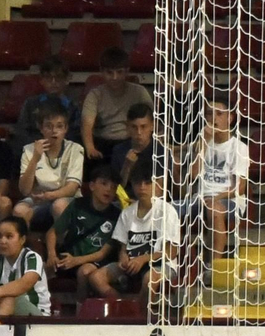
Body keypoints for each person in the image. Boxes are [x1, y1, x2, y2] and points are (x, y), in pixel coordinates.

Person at [106, 161, 181, 301]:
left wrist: (143, 258)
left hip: (162, 264)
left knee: (149, 279)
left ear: (155, 185)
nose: (142, 188)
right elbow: (123, 247)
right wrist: (123, 258)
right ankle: (122, 305)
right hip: (132, 263)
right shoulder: (127, 212)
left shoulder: (168, 211)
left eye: (147, 183)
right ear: (133, 185)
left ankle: (139, 317)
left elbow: (172, 252)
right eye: (138, 183)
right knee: (96, 277)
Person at [46, 163, 123, 299]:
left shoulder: (116, 215)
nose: (109, 190)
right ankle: (44, 310)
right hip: (69, 257)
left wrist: (76, 261)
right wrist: (52, 255)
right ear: (92, 186)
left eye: (113, 187)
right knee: (43, 268)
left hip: (94, 261)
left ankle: (80, 312)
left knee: (84, 271)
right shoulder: (77, 205)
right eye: (104, 184)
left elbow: (102, 254)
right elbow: (52, 232)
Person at [194, 94, 249, 260]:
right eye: (209, 114)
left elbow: (239, 187)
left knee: (215, 210)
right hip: (200, 198)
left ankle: (214, 266)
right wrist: (203, 144)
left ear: (230, 118)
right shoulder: (203, 142)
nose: (213, 118)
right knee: (167, 209)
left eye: (219, 114)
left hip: (229, 201)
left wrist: (216, 197)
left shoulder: (238, 147)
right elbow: (192, 176)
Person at [15, 106, 84, 232]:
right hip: (39, 200)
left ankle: (63, 248)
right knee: (19, 211)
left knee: (59, 205)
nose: (54, 131)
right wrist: (35, 158)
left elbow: (72, 188)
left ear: (66, 129)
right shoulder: (29, 149)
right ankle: (27, 249)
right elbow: (24, 190)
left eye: (59, 126)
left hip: (67, 199)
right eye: (48, 126)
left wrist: (49, 196)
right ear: (41, 128)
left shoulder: (75, 149)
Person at [81, 47, 151, 167]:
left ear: (127, 71)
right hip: (103, 144)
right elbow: (86, 124)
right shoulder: (95, 94)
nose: (115, 77)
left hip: (131, 141)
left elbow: (150, 119)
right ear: (102, 72)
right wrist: (90, 147)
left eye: (119, 72)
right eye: (109, 72)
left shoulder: (139, 92)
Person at [0, 214, 51, 317]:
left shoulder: (32, 257)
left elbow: (25, 283)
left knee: (9, 298)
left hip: (38, 316)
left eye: (9, 236)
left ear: (22, 239)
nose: (3, 241)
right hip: (11, 312)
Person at [14, 57, 76, 151]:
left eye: (58, 77)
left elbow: (74, 134)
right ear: (41, 80)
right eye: (48, 78)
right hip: (33, 148)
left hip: (62, 150)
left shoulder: (73, 106)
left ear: (67, 79)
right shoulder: (31, 103)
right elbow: (22, 131)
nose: (53, 82)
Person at [110, 101, 158, 200]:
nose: (139, 132)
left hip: (153, 204)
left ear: (152, 126)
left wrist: (138, 205)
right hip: (123, 202)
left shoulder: (160, 151)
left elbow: (159, 191)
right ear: (127, 127)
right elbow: (114, 190)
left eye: (143, 127)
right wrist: (126, 166)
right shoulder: (119, 150)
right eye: (134, 127)